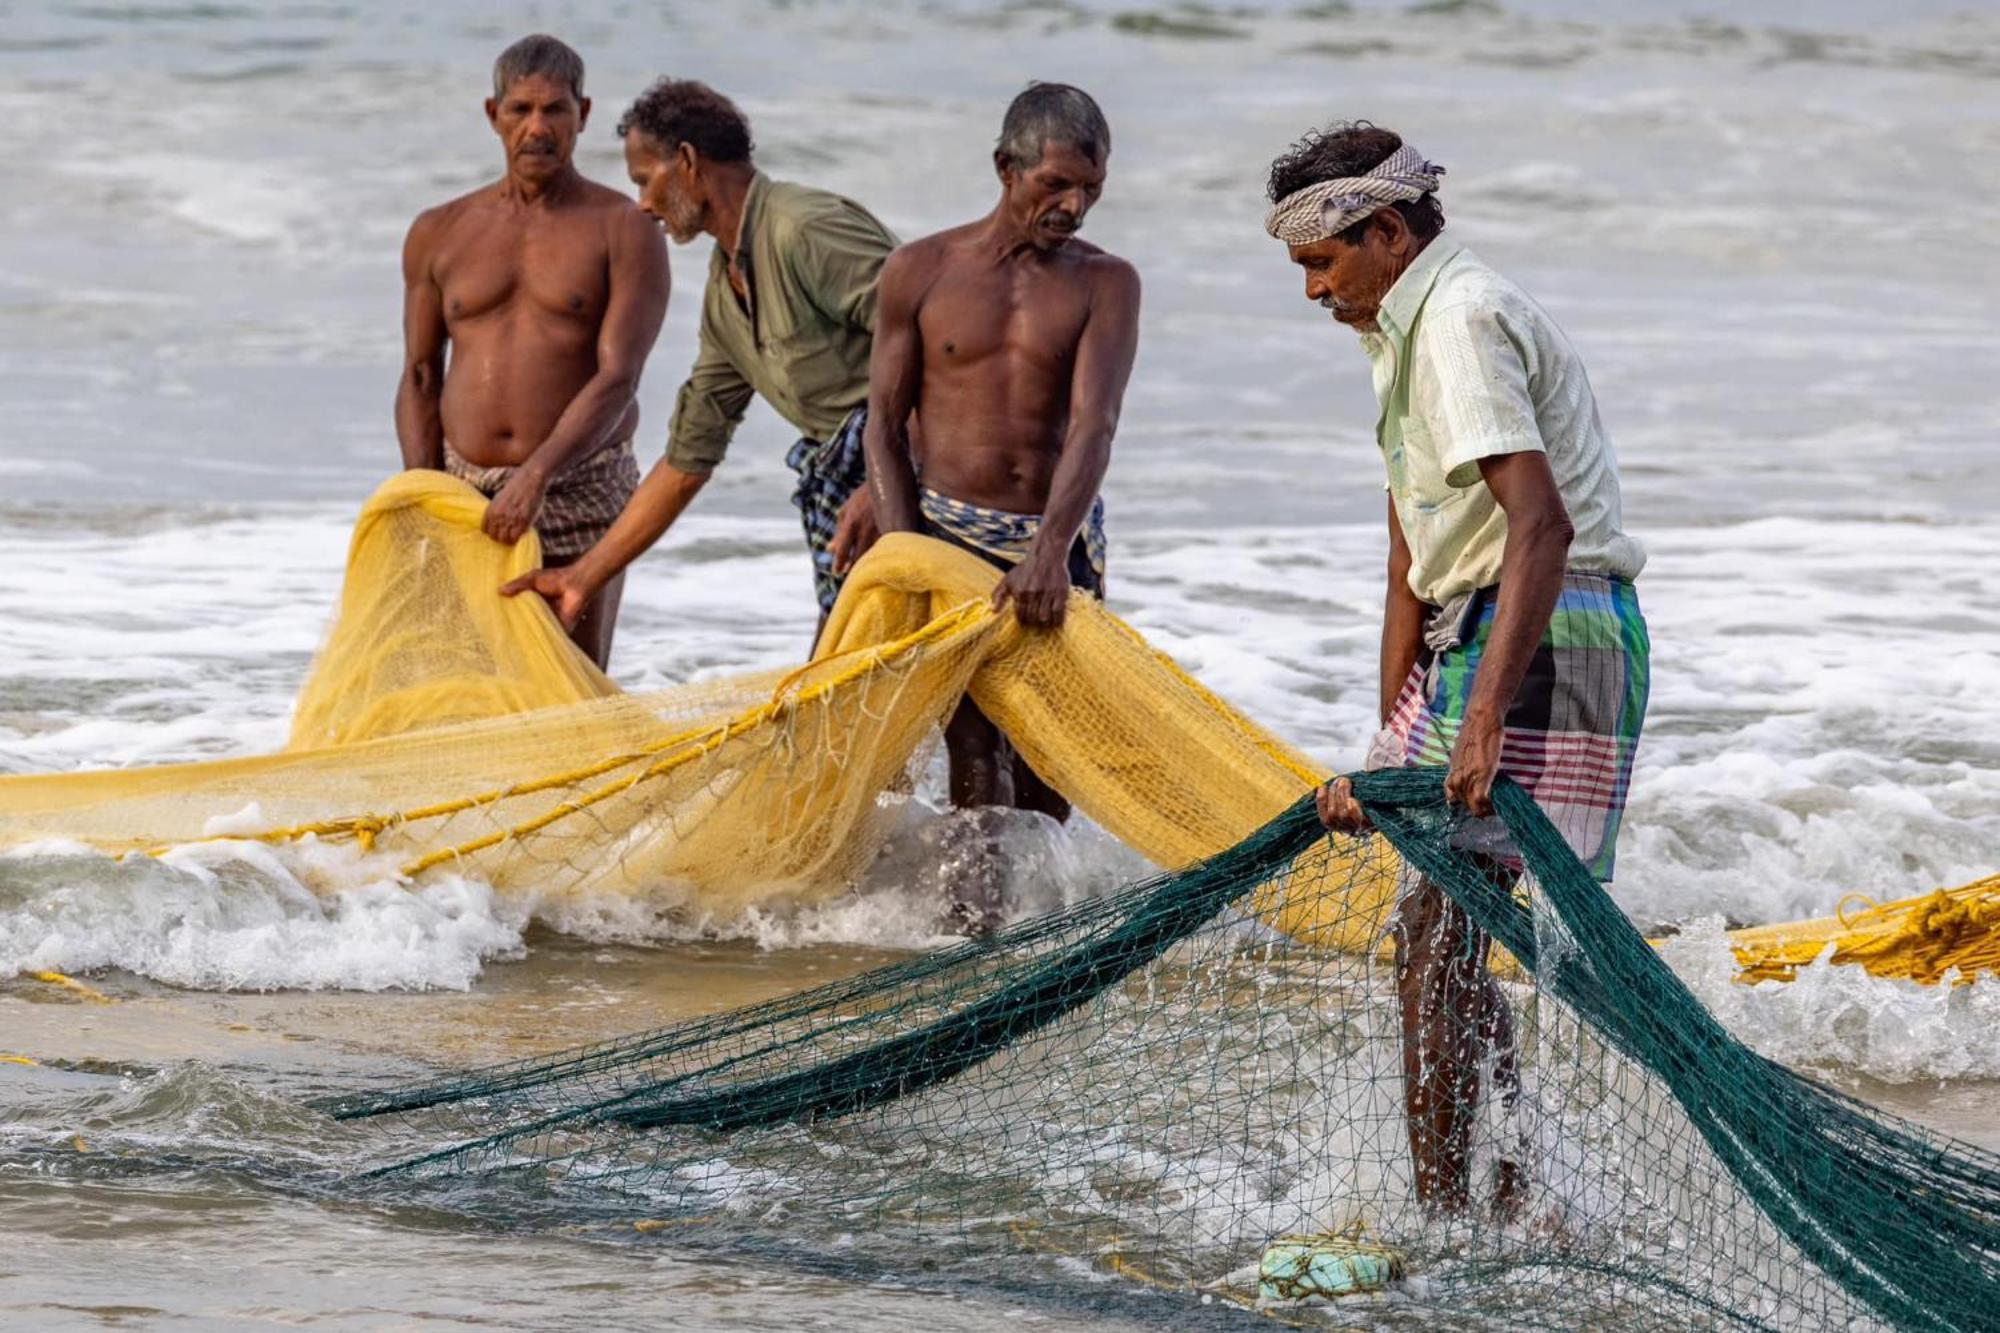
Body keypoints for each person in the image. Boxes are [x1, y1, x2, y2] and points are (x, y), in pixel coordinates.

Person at [1268, 123, 1649, 1217]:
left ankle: (1448, 1226)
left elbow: (1539, 524)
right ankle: (1504, 1192)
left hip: (1543, 627)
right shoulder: (1399, 324)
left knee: (1434, 944)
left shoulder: (1458, 320)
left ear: (1385, 231)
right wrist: (1389, 741)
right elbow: (1411, 543)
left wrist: (1476, 723)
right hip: (1492, 630)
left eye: (1320, 261)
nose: (1310, 290)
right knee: (1440, 937)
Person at [502, 78, 898, 644]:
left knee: (900, 690)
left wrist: (884, 484)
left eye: (645, 180)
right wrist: (580, 579)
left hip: (936, 473)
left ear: (686, 162)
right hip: (856, 499)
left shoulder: (803, 228)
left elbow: (950, 345)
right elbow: (688, 459)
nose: (641, 203)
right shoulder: (726, 288)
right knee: (845, 690)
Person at [865, 82, 1141, 830]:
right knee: (977, 753)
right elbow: (884, 426)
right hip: (948, 535)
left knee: (1052, 757)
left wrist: (1050, 552)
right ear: (1006, 168)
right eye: (1056, 184)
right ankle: (976, 933)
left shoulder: (1106, 284)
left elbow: (1095, 424)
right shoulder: (920, 271)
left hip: (1057, 543)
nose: (1074, 207)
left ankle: (1043, 928)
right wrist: (906, 556)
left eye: (1091, 189)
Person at [395, 34, 669, 669]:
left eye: (556, 111)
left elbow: (617, 376)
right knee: (462, 678)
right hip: (464, 489)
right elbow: (418, 376)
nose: (538, 128)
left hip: (579, 482)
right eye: (521, 110)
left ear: (585, 115)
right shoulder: (440, 230)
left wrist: (536, 476)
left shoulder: (624, 229)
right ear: (494, 116)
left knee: (573, 679)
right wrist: (424, 492)